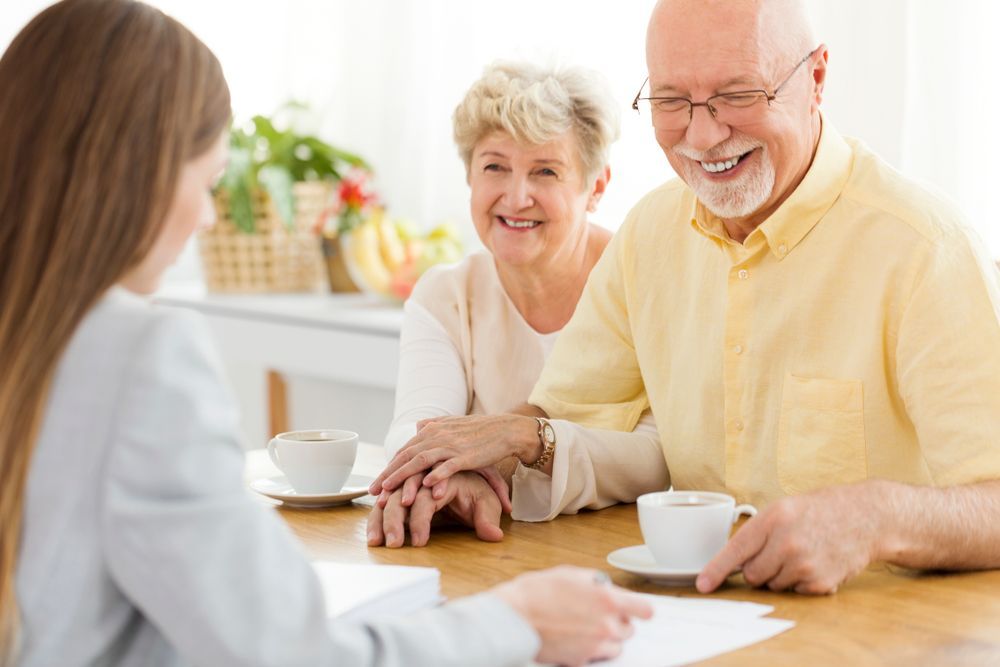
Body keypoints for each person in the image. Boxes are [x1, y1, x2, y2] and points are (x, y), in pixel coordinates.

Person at [0, 2, 653, 665]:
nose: (203, 219)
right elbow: (296, 653)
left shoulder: (39, 338)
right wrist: (518, 623)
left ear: (596, 185)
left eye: (544, 170)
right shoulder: (139, 356)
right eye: (206, 181)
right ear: (138, 172)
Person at [371, 0, 1000, 596]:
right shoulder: (651, 233)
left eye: (737, 95)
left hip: (880, 635)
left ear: (816, 78)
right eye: (672, 100)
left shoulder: (924, 250)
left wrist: (877, 517)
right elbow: (560, 416)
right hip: (700, 617)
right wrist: (476, 474)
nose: (702, 135)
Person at [366, 62, 667, 548]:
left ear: (596, 187)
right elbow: (417, 428)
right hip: (494, 553)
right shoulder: (445, 294)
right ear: (469, 176)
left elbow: (659, 458)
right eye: (494, 167)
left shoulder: (647, 281)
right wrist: (444, 481)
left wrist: (526, 438)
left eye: (545, 171)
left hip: (624, 553)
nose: (516, 195)